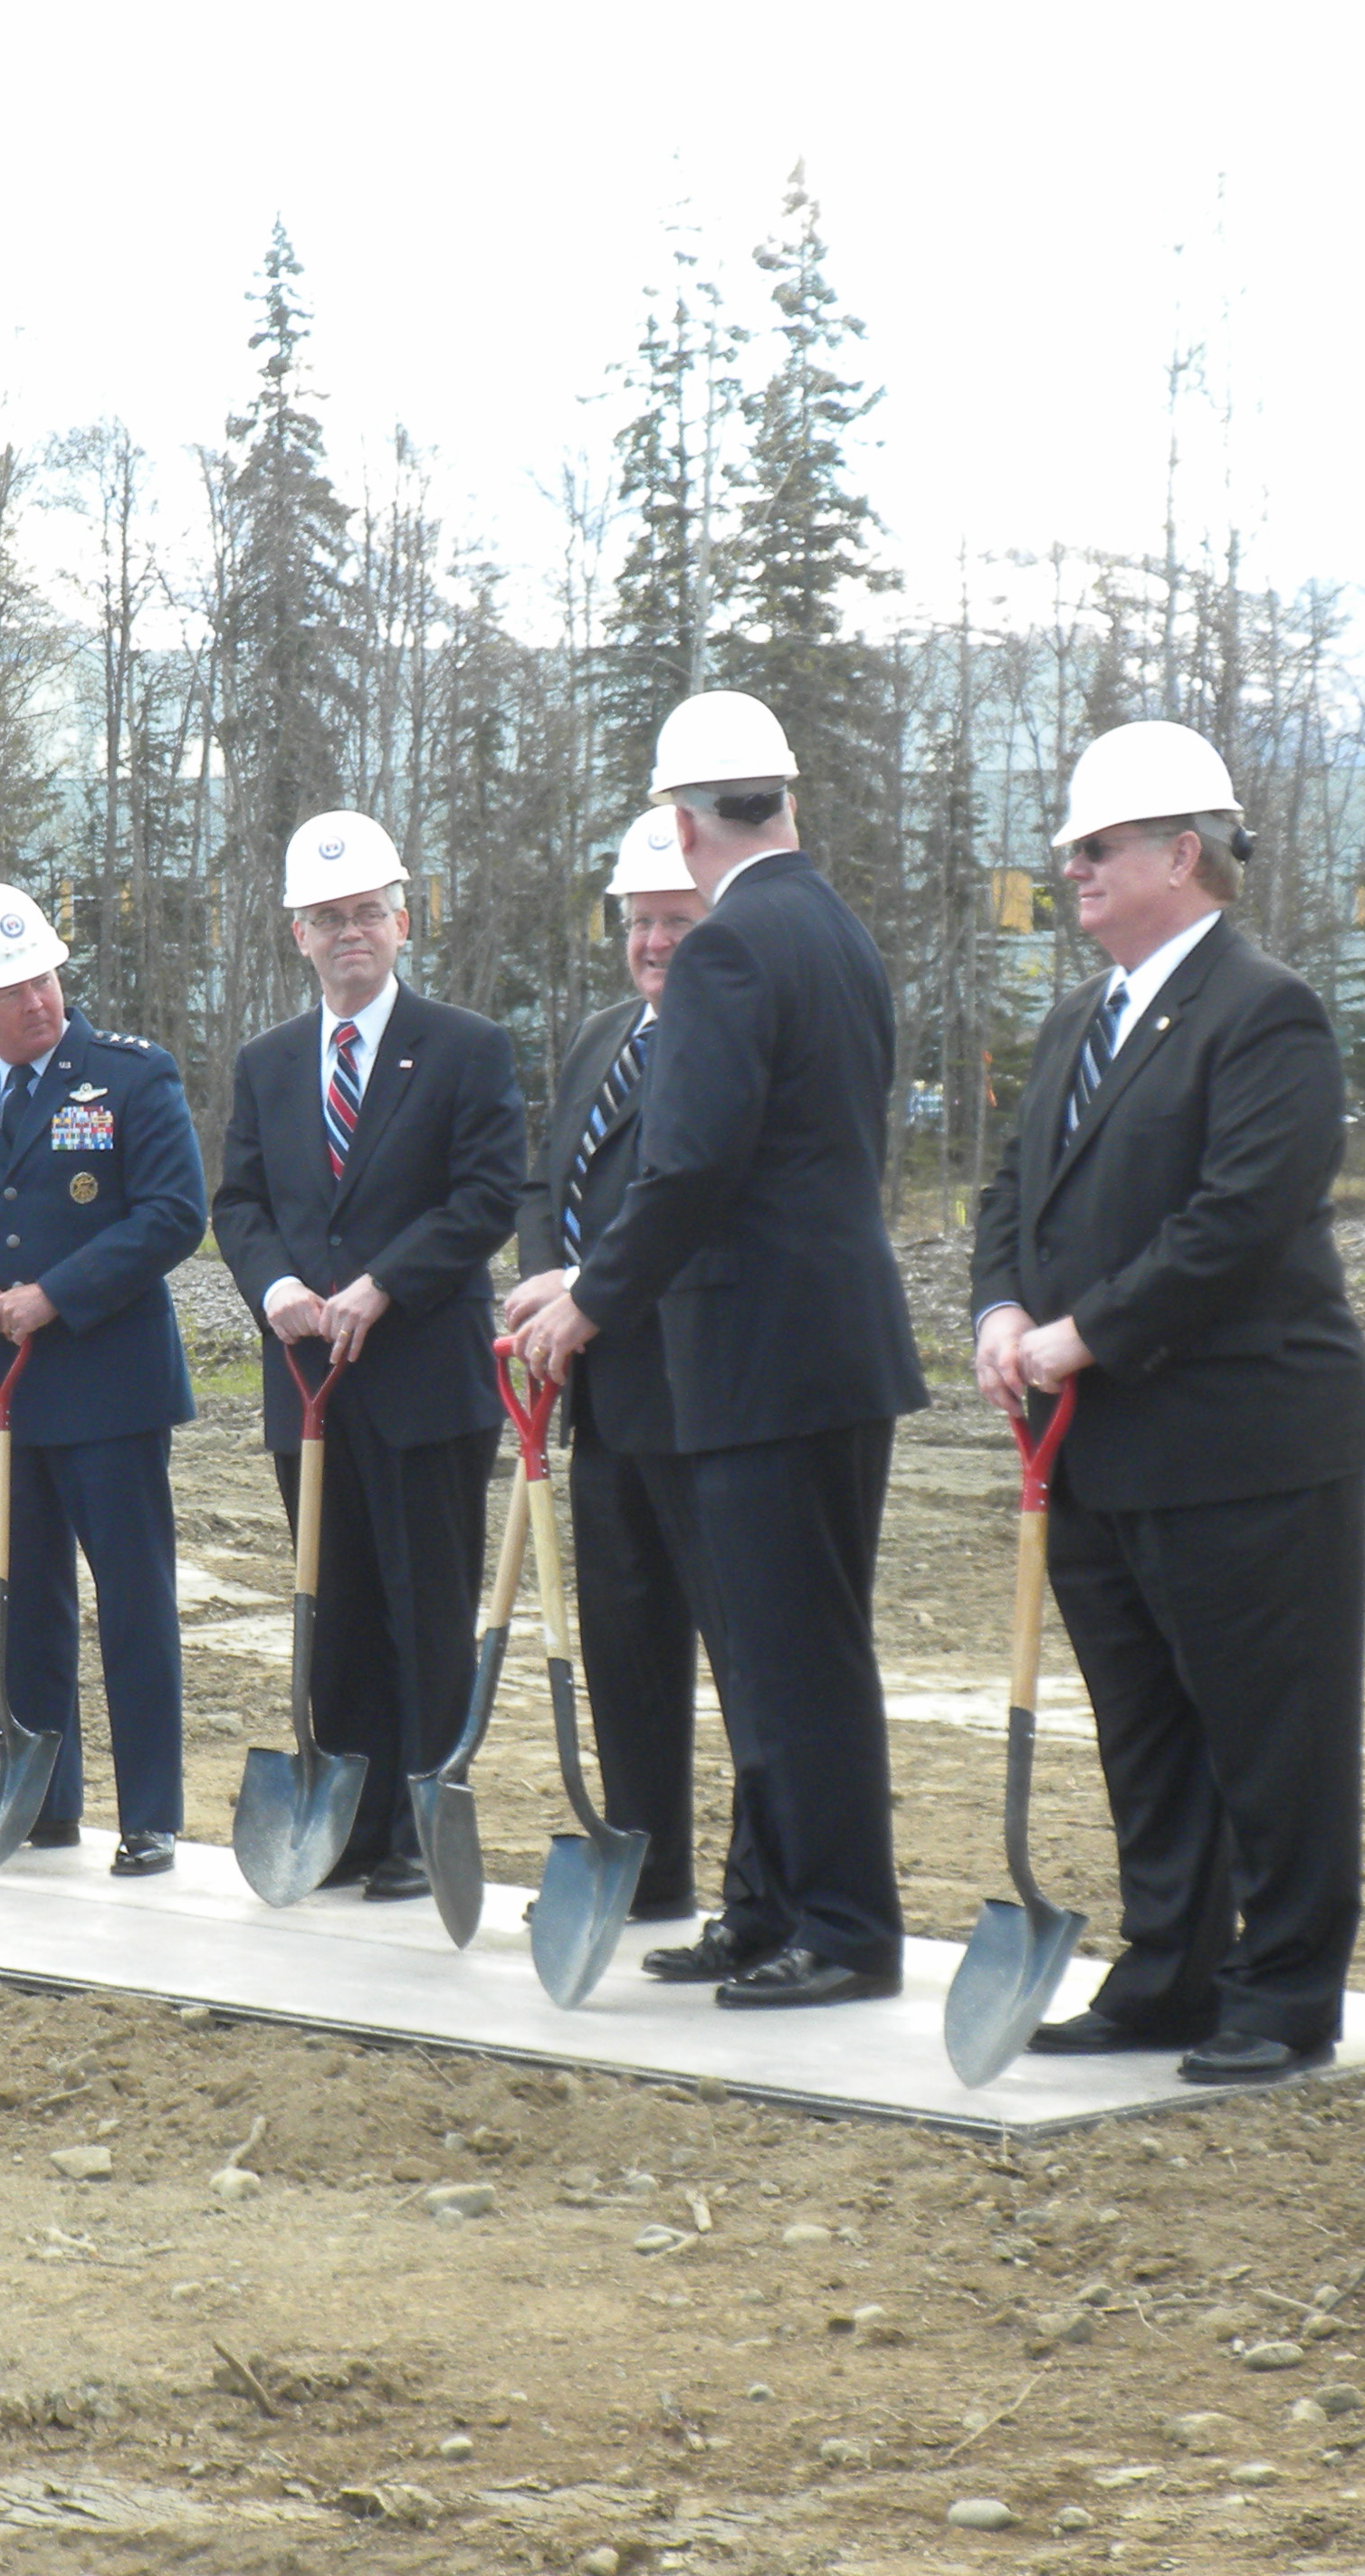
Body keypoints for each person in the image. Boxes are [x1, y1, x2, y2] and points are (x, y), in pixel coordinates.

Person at [973, 721, 1365, 2085]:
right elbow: (1008, 1197)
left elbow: (1238, 1224)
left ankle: (1284, 1990)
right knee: (1147, 1731)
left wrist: (1084, 1334)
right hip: (1098, 1448)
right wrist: (1002, 1314)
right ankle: (1171, 1973)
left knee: (1272, 1732)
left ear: (1180, 854)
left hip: (1244, 1443)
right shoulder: (1077, 1018)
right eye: (1071, 850)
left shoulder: (1266, 1012)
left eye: (1096, 848)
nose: (1072, 870)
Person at [515, 692, 928, 2008]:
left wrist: (588, 1300)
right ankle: (765, 1909)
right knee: (771, 1653)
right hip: (814, 1351)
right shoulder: (834, 930)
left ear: (684, 822)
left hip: (764, 1354)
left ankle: (848, 1925)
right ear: (784, 797)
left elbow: (691, 1163)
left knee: (794, 1660)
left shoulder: (731, 950)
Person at [209, 811, 526, 1899]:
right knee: (331, 1606)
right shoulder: (265, 1063)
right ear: (296, 933)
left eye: (367, 914)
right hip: (307, 1382)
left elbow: (486, 1196)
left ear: (403, 920)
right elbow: (240, 1203)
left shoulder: (465, 1048)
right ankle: (346, 1816)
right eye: (327, 918)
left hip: (422, 1381)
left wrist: (384, 1283)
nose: (350, 933)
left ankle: (418, 1828)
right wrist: (279, 1289)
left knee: (421, 1610)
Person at [0, 883, 205, 1873]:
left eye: (41, 976)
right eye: (8, 988)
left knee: (131, 1598)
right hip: (6, 1389)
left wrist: (53, 1296)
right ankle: (43, 1800)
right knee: (19, 1593)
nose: (34, 1000)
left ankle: (150, 1813)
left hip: (109, 1383)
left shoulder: (129, 1077)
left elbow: (171, 1215)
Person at [503, 807, 744, 1929]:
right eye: (640, 923)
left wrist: (591, 1293)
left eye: (677, 923)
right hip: (598, 1399)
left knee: (738, 1661)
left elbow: (695, 1198)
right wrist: (549, 1282)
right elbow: (547, 1181)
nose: (654, 944)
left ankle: (766, 1884)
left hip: (698, 1390)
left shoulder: (724, 1034)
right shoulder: (608, 1035)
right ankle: (651, 1866)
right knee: (625, 1647)